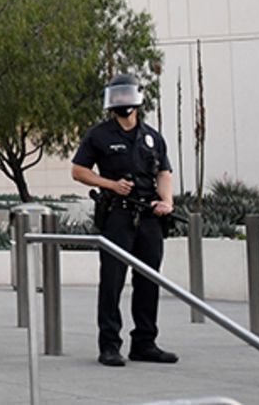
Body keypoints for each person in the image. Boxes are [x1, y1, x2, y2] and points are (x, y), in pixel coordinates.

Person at [71, 73, 178, 367]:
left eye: (126, 95)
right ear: (111, 100)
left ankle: (145, 342)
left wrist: (166, 202)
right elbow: (79, 171)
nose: (122, 101)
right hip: (117, 213)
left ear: (136, 98)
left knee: (148, 279)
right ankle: (109, 345)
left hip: (149, 217)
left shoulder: (152, 136)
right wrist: (109, 184)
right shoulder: (99, 134)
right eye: (116, 96)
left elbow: (164, 173)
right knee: (112, 281)